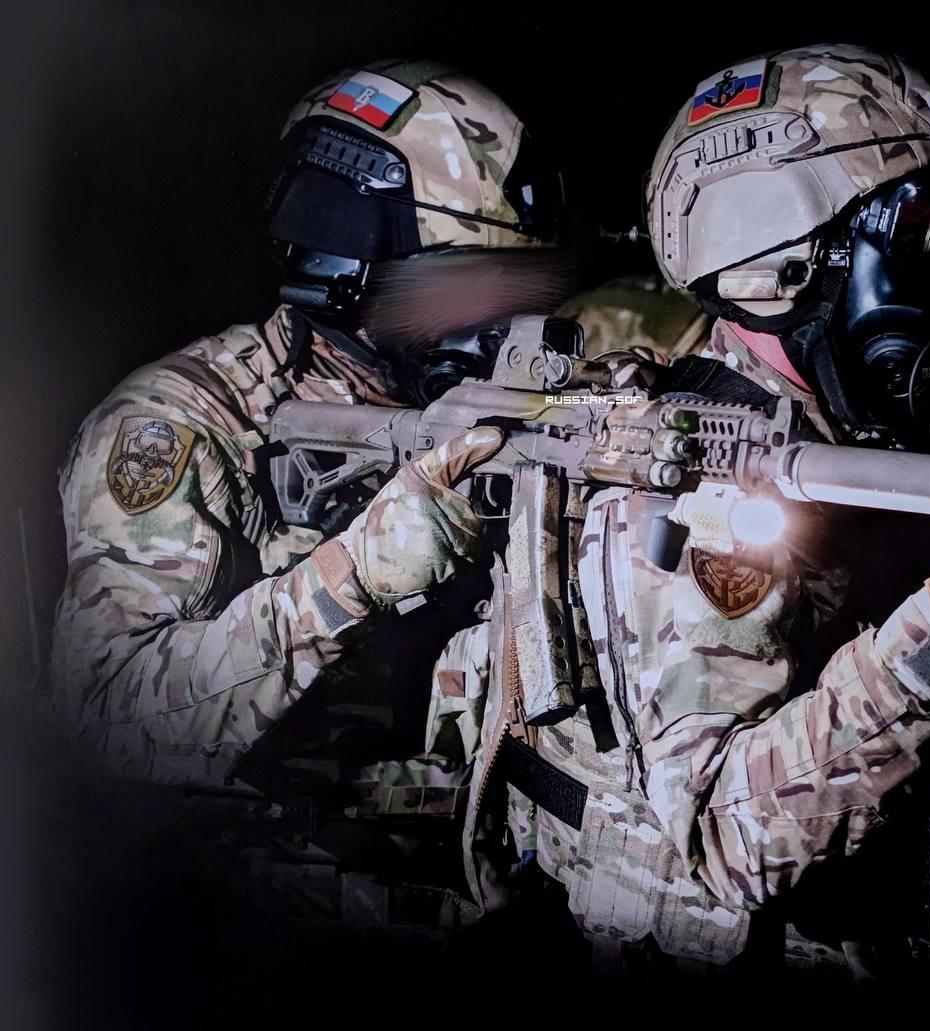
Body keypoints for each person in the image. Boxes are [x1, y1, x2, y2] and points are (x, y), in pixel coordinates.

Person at [449, 43, 930, 973]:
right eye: (915, 242)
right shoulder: (681, 484)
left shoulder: (834, 428)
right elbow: (722, 842)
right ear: (778, 267)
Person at [49, 58, 698, 933]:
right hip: (256, 896)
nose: (499, 316)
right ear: (343, 268)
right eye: (463, 284)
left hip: (475, 860)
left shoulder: (492, 396)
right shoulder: (184, 422)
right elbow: (107, 723)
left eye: (516, 283)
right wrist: (354, 573)